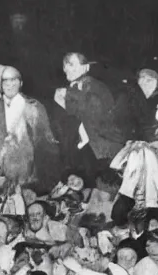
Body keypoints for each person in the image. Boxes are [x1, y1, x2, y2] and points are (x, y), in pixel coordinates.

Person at [0, 65, 60, 195]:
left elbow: (46, 144)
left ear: (21, 83)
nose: (9, 85)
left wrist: (46, 181)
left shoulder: (34, 106)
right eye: (5, 81)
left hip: (26, 178)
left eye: (14, 80)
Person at [56, 53, 127, 182]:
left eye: (71, 64)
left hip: (104, 152)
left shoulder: (96, 86)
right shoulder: (71, 89)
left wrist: (69, 95)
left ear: (86, 67)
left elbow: (95, 112)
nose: (66, 68)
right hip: (85, 151)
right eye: (64, 65)